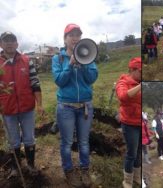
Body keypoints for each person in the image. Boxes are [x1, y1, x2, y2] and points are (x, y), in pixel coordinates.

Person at [52, 24, 98, 187]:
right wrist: (70, 65)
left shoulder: (87, 54)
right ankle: (69, 171)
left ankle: (85, 169)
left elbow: (92, 78)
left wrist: (84, 64)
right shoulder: (58, 58)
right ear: (65, 39)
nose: (75, 38)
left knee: (84, 142)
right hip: (66, 106)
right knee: (66, 142)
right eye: (71, 35)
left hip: (85, 105)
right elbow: (59, 81)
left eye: (78, 35)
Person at [0, 31, 44, 177]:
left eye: (12, 40)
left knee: (29, 138)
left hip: (27, 108)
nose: (9, 43)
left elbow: (35, 83)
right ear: (1, 44)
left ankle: (31, 166)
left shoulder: (26, 60)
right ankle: (15, 168)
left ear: (17, 44)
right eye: (6, 41)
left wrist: (40, 104)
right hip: (7, 110)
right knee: (13, 140)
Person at [115, 57, 141, 188]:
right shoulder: (123, 82)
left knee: (139, 152)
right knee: (132, 153)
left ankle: (137, 177)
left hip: (140, 123)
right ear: (133, 70)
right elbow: (123, 96)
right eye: (141, 71)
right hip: (129, 123)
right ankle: (127, 181)